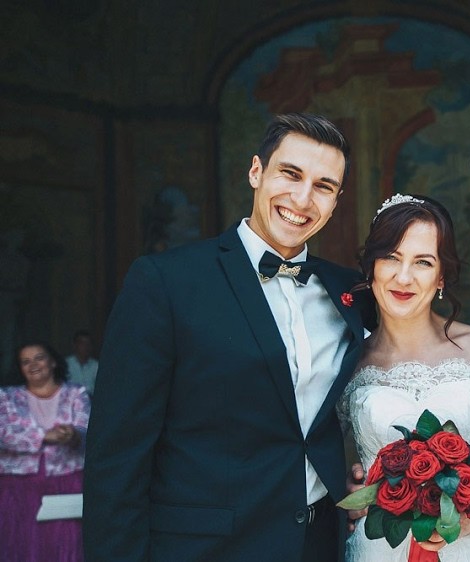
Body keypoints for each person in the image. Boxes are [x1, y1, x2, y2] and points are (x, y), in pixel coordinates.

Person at [83, 113, 375, 562]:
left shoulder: (350, 291)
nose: (302, 198)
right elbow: (117, 452)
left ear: (335, 202)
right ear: (256, 171)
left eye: (323, 186)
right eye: (290, 174)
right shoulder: (167, 281)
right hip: (207, 547)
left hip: (320, 543)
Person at [338, 194, 470, 561]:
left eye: (423, 262)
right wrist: (345, 493)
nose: (404, 277)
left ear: (441, 275)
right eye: (391, 257)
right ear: (371, 266)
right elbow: (309, 454)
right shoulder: (347, 362)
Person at [1, 340, 90, 561]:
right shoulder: (6, 397)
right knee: (21, 544)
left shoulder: (76, 393)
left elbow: (87, 429)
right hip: (17, 486)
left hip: (68, 480)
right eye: (25, 361)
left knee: (66, 544)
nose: (33, 365)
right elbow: (4, 434)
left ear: (53, 362)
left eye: (39, 358)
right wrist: (44, 436)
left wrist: (73, 435)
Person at [65, 329, 99, 398]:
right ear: (75, 345)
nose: (86, 346)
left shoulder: (96, 366)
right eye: (82, 343)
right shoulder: (66, 364)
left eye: (88, 344)